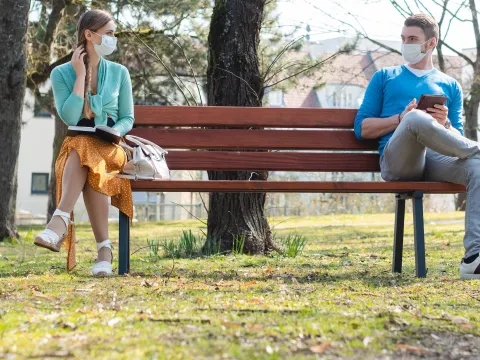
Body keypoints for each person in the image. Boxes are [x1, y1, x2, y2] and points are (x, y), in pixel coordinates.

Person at [355, 13, 480, 280]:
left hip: (435, 160)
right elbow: (362, 128)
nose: (405, 44)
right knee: (414, 117)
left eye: (412, 39)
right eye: (403, 39)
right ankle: (476, 148)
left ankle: (473, 259)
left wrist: (445, 124)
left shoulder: (450, 85)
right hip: (398, 162)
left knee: (477, 167)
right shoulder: (384, 77)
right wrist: (401, 119)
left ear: (431, 43)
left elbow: (454, 137)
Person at [34, 9, 134, 277]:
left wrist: (115, 132)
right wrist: (80, 76)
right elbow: (68, 116)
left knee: (85, 153)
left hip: (112, 147)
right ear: (89, 35)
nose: (114, 39)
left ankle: (58, 222)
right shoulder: (61, 73)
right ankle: (105, 251)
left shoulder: (120, 72)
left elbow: (127, 117)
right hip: (79, 147)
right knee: (84, 154)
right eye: (109, 34)